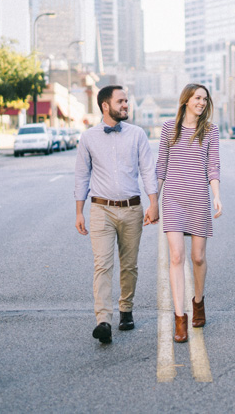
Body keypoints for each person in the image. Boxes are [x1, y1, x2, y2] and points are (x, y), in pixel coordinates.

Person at [74, 85, 159, 344]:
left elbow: (147, 170)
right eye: (120, 101)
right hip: (101, 209)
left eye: (126, 101)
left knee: (129, 265)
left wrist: (154, 203)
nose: (126, 105)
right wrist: (79, 211)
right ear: (105, 105)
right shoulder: (88, 138)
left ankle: (126, 309)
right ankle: (103, 320)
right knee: (102, 265)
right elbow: (81, 175)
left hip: (132, 208)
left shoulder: (137, 135)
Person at [156, 84, 222, 343]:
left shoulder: (210, 130)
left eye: (205, 99)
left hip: (198, 199)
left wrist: (216, 195)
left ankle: (198, 302)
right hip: (172, 198)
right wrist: (154, 200)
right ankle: (179, 318)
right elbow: (161, 165)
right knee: (176, 256)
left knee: (197, 257)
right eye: (197, 98)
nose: (202, 102)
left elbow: (213, 166)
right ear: (185, 100)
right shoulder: (168, 128)